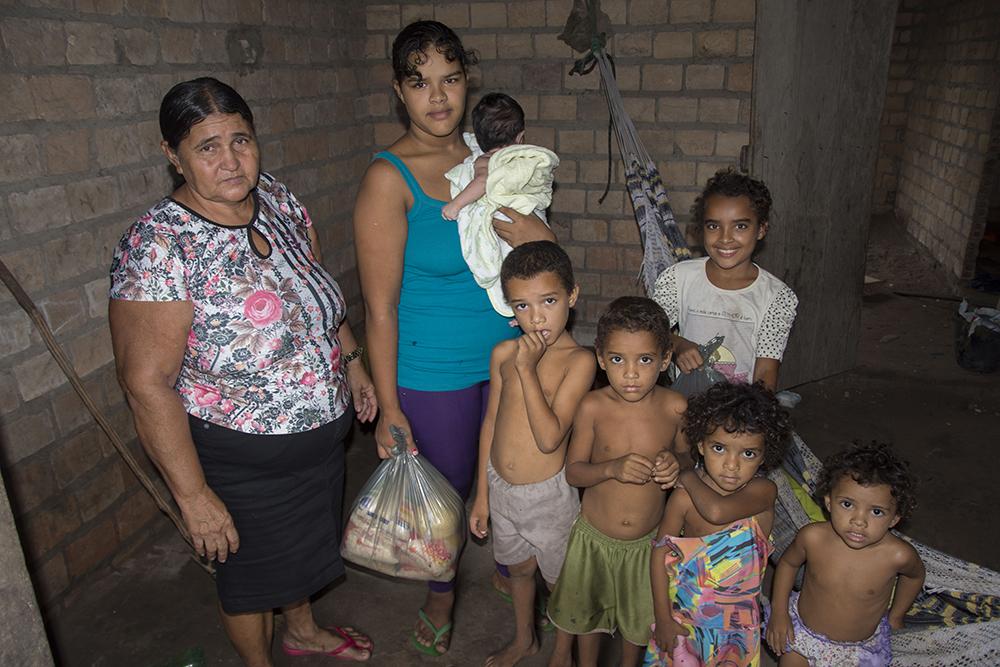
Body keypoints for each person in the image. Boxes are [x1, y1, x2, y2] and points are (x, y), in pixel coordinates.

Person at [108, 77, 375, 666]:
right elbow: (145, 384)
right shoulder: (159, 245)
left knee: (303, 552)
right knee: (252, 578)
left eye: (241, 140)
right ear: (172, 154)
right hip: (239, 457)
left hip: (319, 443)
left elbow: (317, 296)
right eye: (207, 147)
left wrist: (352, 362)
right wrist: (193, 494)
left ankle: (301, 631)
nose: (231, 161)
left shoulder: (277, 199)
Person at [352, 20, 555, 656]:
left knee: (513, 475)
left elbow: (540, 255)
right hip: (432, 368)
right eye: (420, 83)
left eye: (450, 79)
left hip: (509, 356)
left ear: (468, 84)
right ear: (398, 91)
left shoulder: (490, 158)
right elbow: (379, 308)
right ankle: (441, 598)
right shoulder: (389, 178)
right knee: (443, 502)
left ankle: (509, 566)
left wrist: (539, 241)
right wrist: (389, 406)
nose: (438, 97)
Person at [469, 241, 595, 667]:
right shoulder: (504, 353)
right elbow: (489, 425)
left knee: (561, 582)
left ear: (572, 297)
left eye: (548, 301)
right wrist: (483, 495)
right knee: (519, 572)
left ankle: (563, 652)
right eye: (521, 306)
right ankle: (525, 639)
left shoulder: (579, 362)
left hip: (550, 499)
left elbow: (549, 438)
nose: (536, 318)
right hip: (503, 491)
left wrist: (527, 371)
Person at [546, 297, 688, 667]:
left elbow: (690, 461)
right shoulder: (593, 406)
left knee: (638, 625)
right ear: (600, 358)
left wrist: (677, 463)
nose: (630, 374)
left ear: (665, 359)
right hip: (593, 539)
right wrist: (610, 469)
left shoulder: (675, 408)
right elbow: (574, 471)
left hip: (647, 546)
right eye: (617, 359)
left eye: (644, 360)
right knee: (587, 619)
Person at [643, 382, 791, 667]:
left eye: (748, 453)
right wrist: (662, 618)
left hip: (735, 632)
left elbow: (716, 511)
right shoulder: (683, 501)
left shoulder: (763, 492)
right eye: (720, 448)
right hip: (683, 621)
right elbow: (660, 553)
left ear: (764, 454)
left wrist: (685, 475)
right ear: (700, 444)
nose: (731, 465)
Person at [765, 442, 925, 666]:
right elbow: (788, 565)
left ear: (895, 518)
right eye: (848, 504)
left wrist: (897, 614)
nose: (859, 521)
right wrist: (779, 613)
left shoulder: (898, 556)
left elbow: (915, 576)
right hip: (803, 635)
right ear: (829, 502)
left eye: (876, 511)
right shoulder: (812, 538)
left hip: (858, 650)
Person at [651, 169, 798, 391]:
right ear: (701, 229)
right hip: (683, 403)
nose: (725, 238)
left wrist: (754, 417)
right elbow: (650, 331)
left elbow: (766, 372)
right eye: (713, 226)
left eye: (740, 226)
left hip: (738, 409)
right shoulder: (677, 279)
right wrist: (678, 344)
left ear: (761, 229)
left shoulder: (776, 297)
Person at [442, 93, 559, 316]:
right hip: (531, 215)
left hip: (511, 217)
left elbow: (483, 182)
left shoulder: (486, 160)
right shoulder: (527, 159)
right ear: (520, 137)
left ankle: (521, 308)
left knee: (511, 269)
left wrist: (456, 204)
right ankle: (534, 310)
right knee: (535, 270)